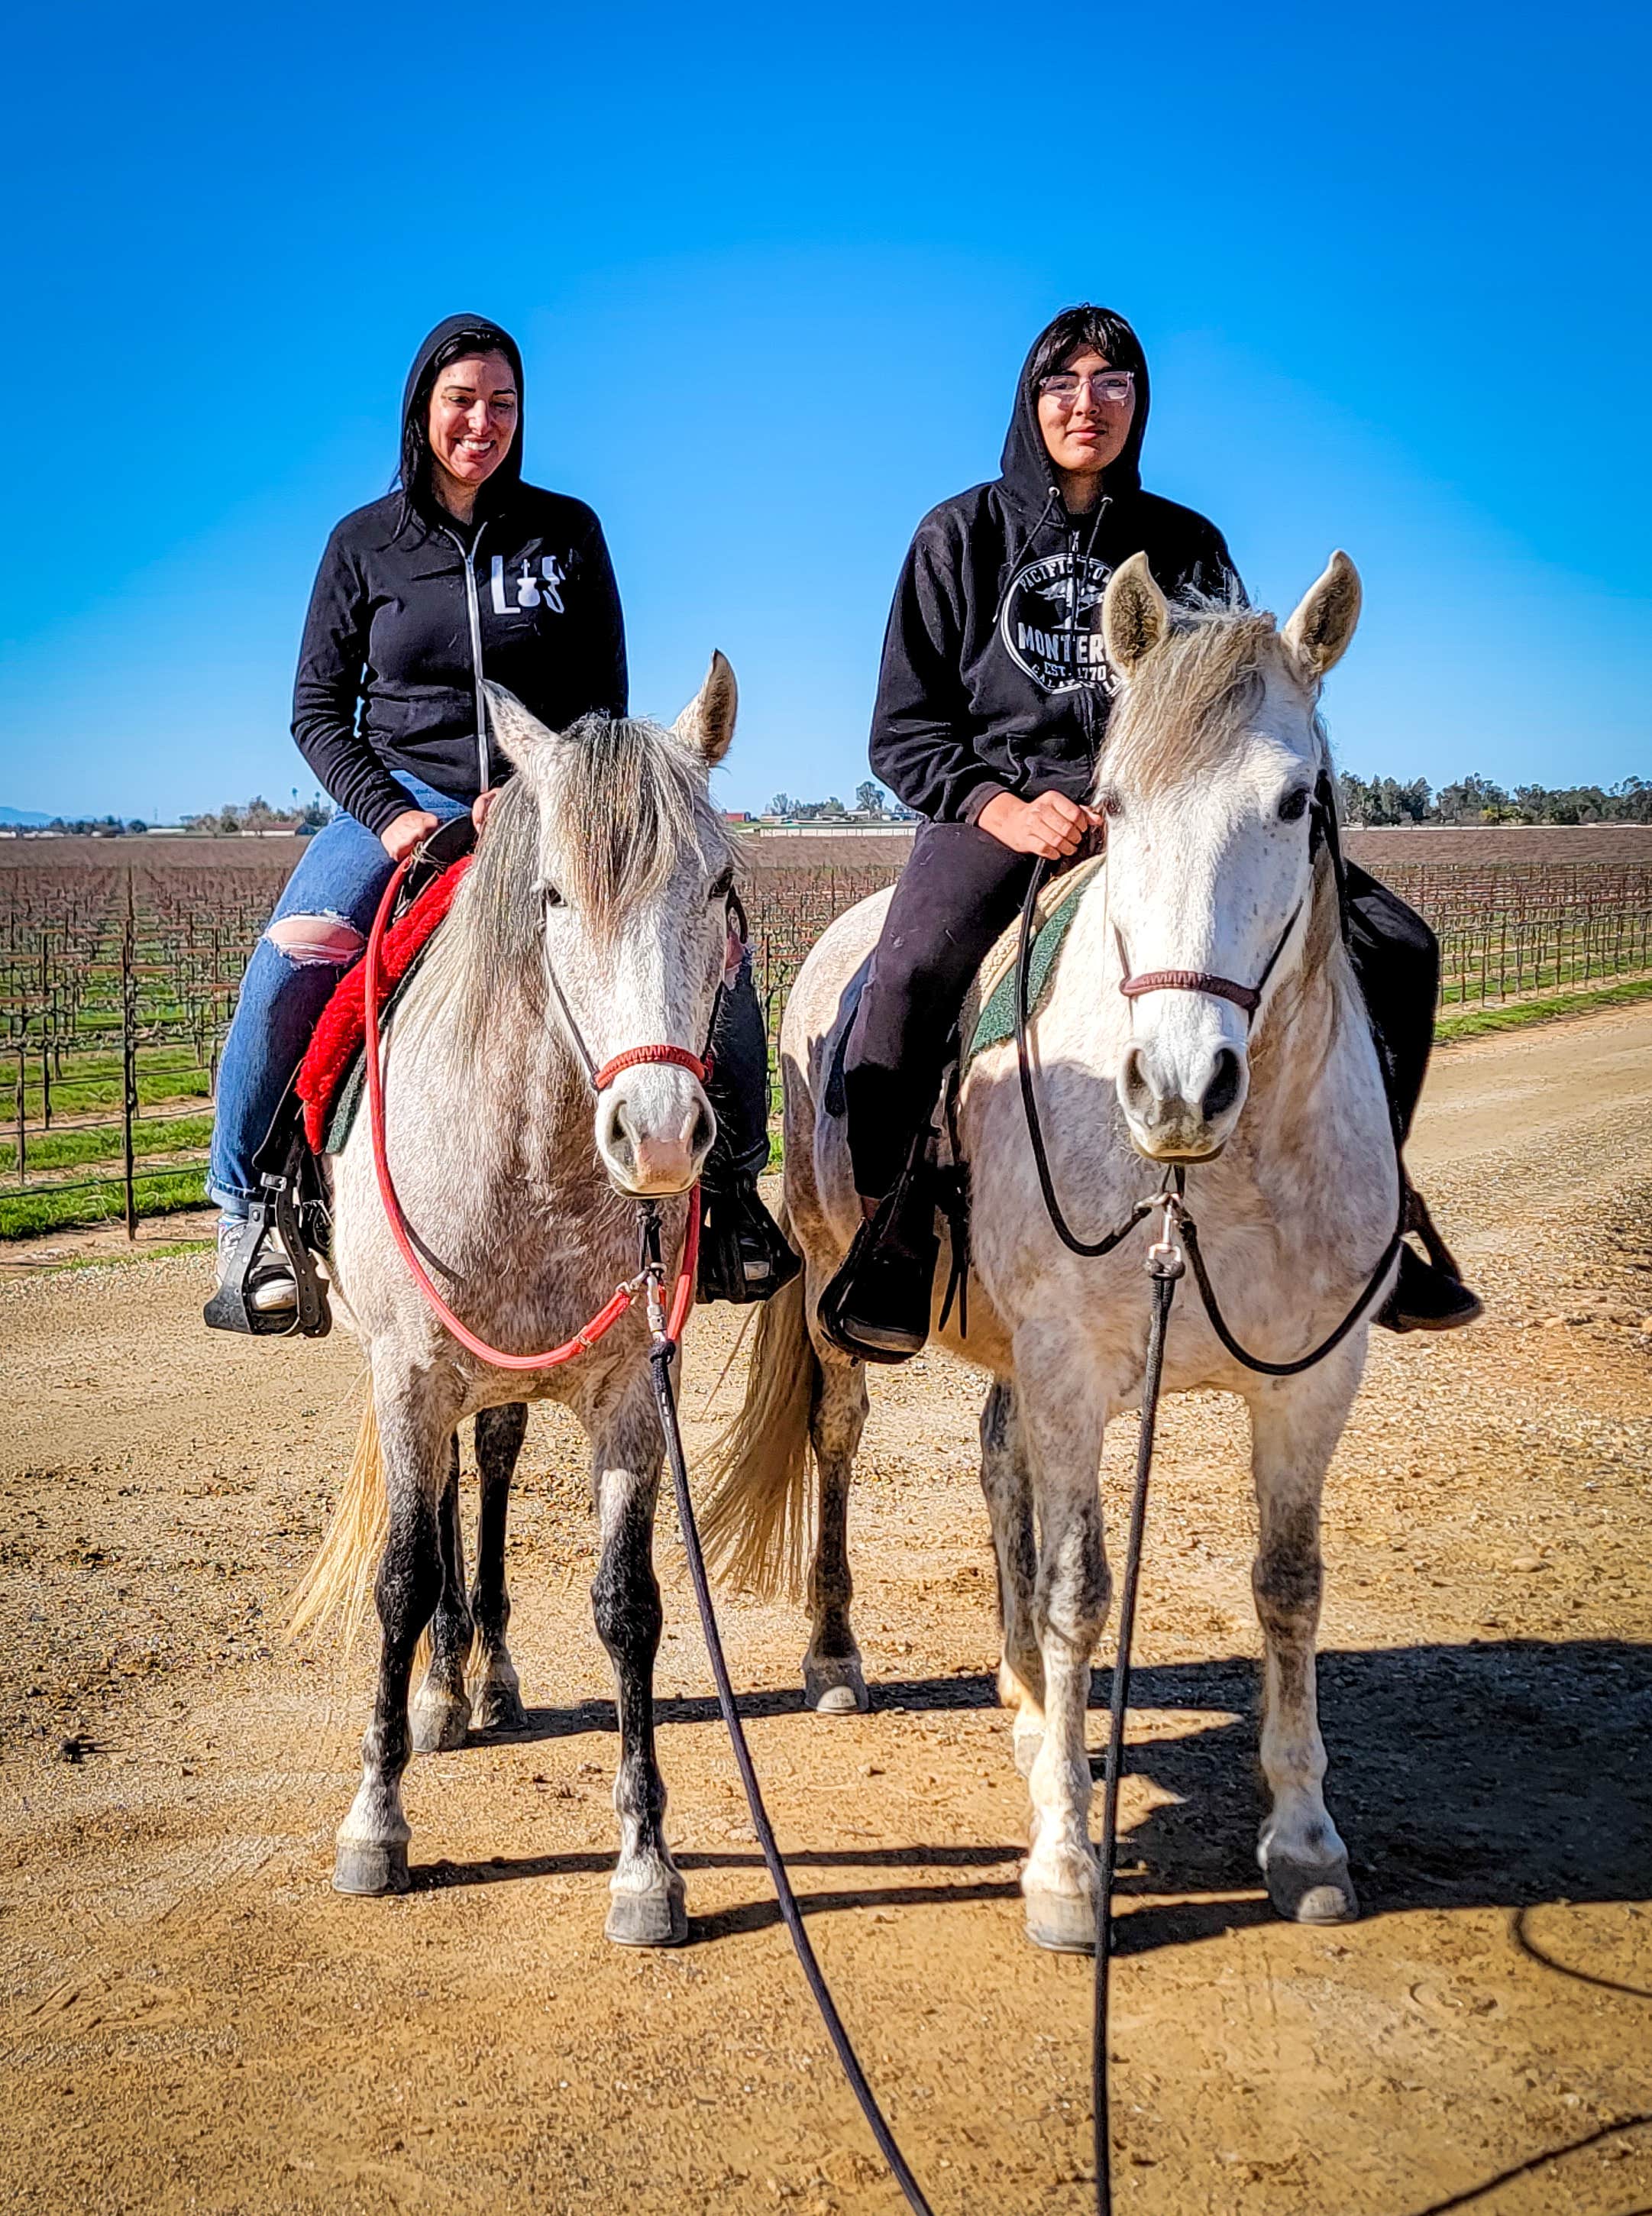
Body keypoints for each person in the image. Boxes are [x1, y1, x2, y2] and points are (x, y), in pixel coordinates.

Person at [823, 302, 1481, 1361]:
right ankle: (896, 1235)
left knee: (1401, 946)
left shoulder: (1186, 545)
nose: (1088, 404)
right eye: (1063, 383)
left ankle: (1379, 1216)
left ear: (1140, 402)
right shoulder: (958, 536)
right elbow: (902, 730)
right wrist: (1005, 806)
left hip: (1172, 819)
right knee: (904, 980)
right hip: (1007, 809)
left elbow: (1248, 706)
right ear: (1029, 401)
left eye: (1113, 382)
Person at [207, 312, 793, 1324]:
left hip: (557, 801)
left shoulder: (567, 534)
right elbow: (315, 711)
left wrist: (547, 790)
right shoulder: (363, 545)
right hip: (406, 806)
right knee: (294, 959)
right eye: (462, 401)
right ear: (423, 410)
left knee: (712, 949)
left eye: (503, 403)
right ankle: (250, 1213)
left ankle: (733, 1192)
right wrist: (392, 821)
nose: (483, 421)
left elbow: (604, 706)